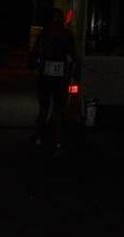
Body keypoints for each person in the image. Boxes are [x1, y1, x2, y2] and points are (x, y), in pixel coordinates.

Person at [31, 8, 76, 149]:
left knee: (45, 108)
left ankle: (40, 138)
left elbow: (36, 54)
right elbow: (73, 56)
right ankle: (57, 141)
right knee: (57, 109)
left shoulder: (46, 34)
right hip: (59, 78)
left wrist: (35, 65)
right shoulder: (65, 34)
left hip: (47, 77)